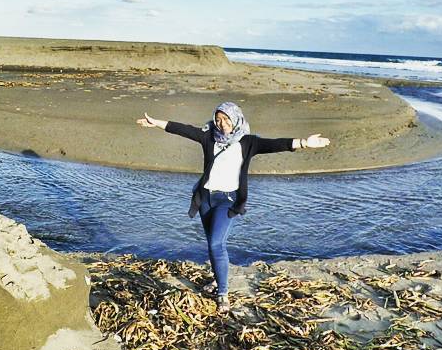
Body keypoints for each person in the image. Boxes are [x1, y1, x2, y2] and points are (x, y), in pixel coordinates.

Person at [137, 102, 330, 313]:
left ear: (235, 119)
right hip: (205, 198)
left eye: (226, 119)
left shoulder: (248, 142)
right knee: (212, 243)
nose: (222, 124)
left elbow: (275, 144)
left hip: (227, 200)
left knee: (216, 243)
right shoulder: (208, 136)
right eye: (218, 119)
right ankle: (217, 278)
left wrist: (305, 143)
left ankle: (223, 293)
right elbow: (183, 129)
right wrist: (156, 123)